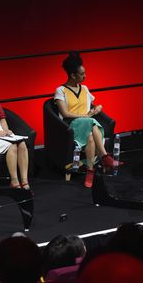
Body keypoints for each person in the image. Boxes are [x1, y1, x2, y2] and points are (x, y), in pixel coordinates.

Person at [55, 52, 122, 188]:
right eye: (82, 74)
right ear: (73, 75)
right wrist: (84, 116)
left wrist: (98, 108)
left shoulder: (84, 89)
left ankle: (90, 172)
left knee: (91, 137)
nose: (85, 76)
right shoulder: (60, 91)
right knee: (91, 123)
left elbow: (92, 105)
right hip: (71, 125)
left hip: (87, 125)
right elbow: (65, 113)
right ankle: (105, 156)